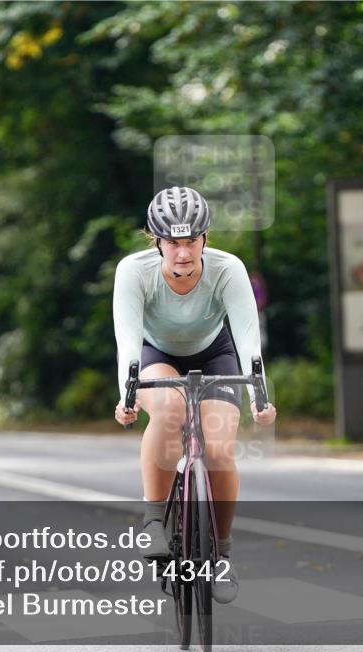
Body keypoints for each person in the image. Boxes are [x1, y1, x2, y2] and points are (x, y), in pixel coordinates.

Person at [112, 186, 277, 604]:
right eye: (172, 242)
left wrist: (258, 393)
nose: (182, 253)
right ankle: (154, 519)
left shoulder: (227, 269)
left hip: (214, 353)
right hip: (157, 353)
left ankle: (221, 553)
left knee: (220, 451)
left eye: (191, 242)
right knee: (167, 408)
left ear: (205, 238)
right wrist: (128, 395)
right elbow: (127, 340)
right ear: (157, 241)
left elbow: (245, 336)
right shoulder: (134, 271)